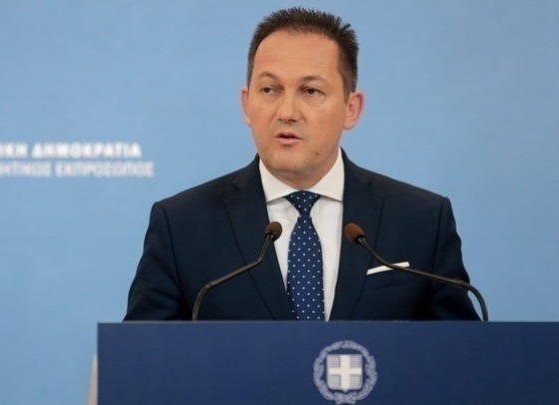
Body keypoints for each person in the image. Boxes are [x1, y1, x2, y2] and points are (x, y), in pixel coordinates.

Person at [124, 7, 479, 321]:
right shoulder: (181, 226)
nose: (287, 112)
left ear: (351, 108)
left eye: (311, 91)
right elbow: (144, 360)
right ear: (247, 105)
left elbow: (461, 360)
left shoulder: (422, 221)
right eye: (269, 90)